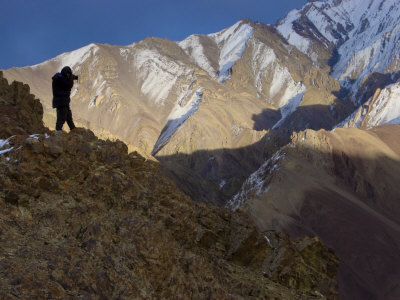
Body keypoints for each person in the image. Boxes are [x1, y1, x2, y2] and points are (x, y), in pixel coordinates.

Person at [52, 66, 78, 131]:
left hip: (63, 102)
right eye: (68, 74)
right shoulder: (60, 79)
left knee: (68, 117)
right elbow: (69, 85)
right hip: (61, 102)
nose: (69, 76)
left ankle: (73, 129)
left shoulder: (60, 77)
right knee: (61, 118)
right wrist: (71, 78)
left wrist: (72, 77)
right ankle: (58, 132)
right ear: (65, 73)